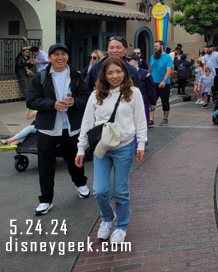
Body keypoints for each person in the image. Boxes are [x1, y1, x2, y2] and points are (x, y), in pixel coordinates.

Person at [76, 57, 147, 244]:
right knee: (99, 190)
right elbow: (86, 124)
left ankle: (121, 226)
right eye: (110, 73)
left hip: (124, 147)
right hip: (102, 147)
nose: (115, 76)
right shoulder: (96, 95)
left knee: (121, 191)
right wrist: (81, 149)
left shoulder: (134, 93)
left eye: (118, 71)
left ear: (124, 72)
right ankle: (107, 218)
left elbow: (140, 121)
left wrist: (141, 144)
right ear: (104, 75)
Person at [26, 43, 91, 215]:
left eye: (63, 54)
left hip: (71, 128)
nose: (60, 57)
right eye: (56, 55)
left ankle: (80, 183)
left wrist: (75, 102)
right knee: (46, 165)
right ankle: (46, 200)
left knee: (74, 160)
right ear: (49, 58)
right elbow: (31, 101)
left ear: (67, 57)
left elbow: (87, 97)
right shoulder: (41, 77)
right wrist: (51, 104)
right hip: (47, 129)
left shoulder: (76, 75)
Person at [149, 40, 173, 126]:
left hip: (164, 83)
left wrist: (164, 80)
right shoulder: (152, 57)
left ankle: (165, 118)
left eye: (156, 46)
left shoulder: (167, 57)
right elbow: (150, 68)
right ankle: (151, 119)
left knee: (164, 101)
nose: (155, 48)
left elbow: (169, 70)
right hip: (153, 83)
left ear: (162, 46)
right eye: (154, 46)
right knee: (152, 101)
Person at [127, 57, 156, 127]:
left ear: (136, 61)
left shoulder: (145, 73)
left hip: (143, 101)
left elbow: (150, 88)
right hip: (129, 102)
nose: (127, 62)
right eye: (126, 60)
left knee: (142, 125)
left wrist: (153, 102)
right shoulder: (125, 73)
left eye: (130, 60)